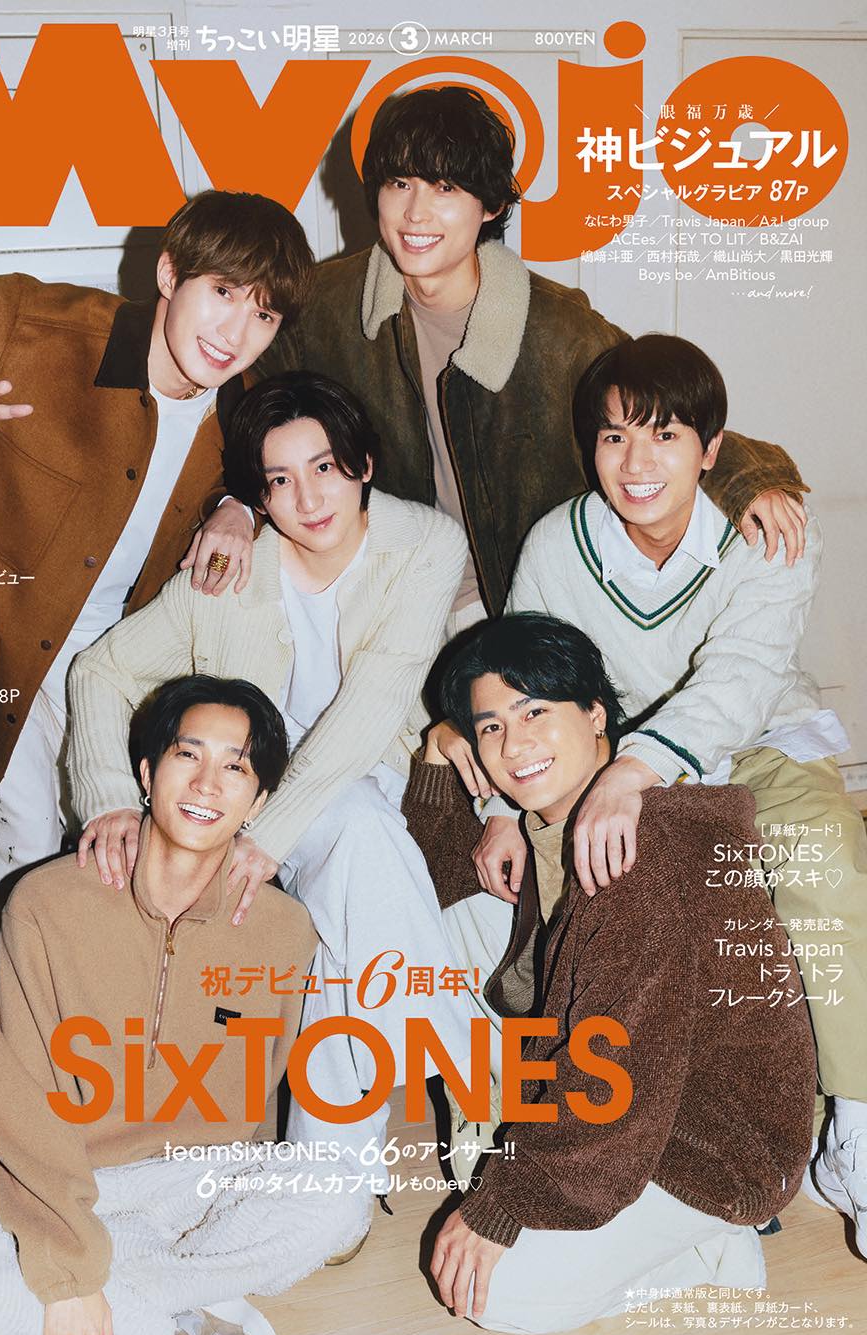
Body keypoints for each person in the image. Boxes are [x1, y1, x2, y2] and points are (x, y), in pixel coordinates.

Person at [0, 191, 315, 1019]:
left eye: (262, 314)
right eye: (222, 292)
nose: (235, 332)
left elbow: (291, 472)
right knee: (28, 877)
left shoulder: (245, 405)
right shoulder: (32, 328)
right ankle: (9, 1024)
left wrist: (240, 505)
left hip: (112, 672)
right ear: (168, 273)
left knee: (119, 865)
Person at [449, 334, 865, 1256]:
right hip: (614, 751)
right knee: (592, 902)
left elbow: (742, 675)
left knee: (825, 865)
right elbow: (527, 685)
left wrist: (635, 771)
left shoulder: (771, 529)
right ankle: (615, 1131)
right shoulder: (559, 543)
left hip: (758, 734)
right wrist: (503, 810)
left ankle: (857, 1136)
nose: (636, 464)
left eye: (665, 436)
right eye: (614, 437)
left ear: (712, 450)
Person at [0, 676, 368, 1335]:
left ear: (258, 801)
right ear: (147, 775)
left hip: (186, 1182)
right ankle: (165, 1322)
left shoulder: (283, 929)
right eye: (188, 755)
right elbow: (17, 1095)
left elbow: (251, 1090)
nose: (207, 784)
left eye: (235, 768)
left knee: (338, 1194)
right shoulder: (46, 902)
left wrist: (79, 1278)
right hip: (60, 1180)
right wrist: (67, 1264)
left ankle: (126, 1310)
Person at [66, 371, 475, 1184]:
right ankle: (473, 1065)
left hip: (374, 777)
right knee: (353, 853)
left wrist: (270, 838)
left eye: (325, 467)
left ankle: (331, 1180)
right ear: (259, 494)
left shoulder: (426, 545)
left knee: (351, 861)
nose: (309, 498)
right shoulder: (229, 573)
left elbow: (373, 707)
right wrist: (109, 798)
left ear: (363, 464)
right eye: (280, 481)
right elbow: (98, 671)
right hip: (244, 802)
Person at [237, 85, 810, 633]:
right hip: (378, 600)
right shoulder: (326, 308)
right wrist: (233, 507)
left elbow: (661, 411)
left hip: (518, 608)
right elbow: (236, 399)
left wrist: (748, 479)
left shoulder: (559, 331)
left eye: (445, 188)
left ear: (490, 205)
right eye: (399, 183)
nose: (415, 213)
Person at [400, 614, 817, 1335]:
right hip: (634, 1106)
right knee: (440, 926)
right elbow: (427, 885)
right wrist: (439, 751)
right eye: (492, 727)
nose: (515, 744)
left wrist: (506, 1203)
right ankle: (588, 1198)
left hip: (708, 1145)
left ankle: (715, 1250)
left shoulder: (646, 849)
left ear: (596, 714)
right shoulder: (548, 824)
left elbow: (618, 1074)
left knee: (496, 1295)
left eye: (535, 712)